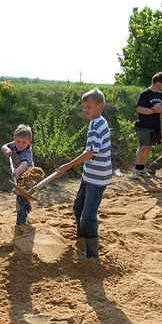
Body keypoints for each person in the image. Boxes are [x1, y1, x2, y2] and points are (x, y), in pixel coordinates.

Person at [56, 89, 112, 259]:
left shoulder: (98, 124)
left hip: (98, 177)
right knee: (78, 208)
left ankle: (92, 254)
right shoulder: (95, 122)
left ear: (100, 107)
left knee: (88, 215)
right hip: (89, 174)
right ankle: (81, 242)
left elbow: (90, 153)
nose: (85, 110)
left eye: (89, 107)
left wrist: (67, 166)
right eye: (84, 107)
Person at [132, 72, 162, 178]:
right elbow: (138, 108)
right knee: (143, 147)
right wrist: (152, 110)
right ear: (158, 82)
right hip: (144, 125)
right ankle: (135, 171)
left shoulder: (161, 95)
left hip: (155, 126)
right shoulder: (145, 94)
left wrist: (161, 109)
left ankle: (141, 168)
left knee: (148, 148)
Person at [1, 124, 34, 225]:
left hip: (28, 176)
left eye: (24, 142)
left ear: (29, 142)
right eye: (18, 141)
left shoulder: (27, 151)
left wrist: (16, 172)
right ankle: (26, 204)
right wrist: (6, 150)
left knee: (20, 198)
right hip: (17, 175)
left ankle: (21, 223)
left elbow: (25, 164)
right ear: (14, 139)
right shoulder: (14, 144)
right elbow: (4, 146)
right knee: (22, 197)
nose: (20, 144)